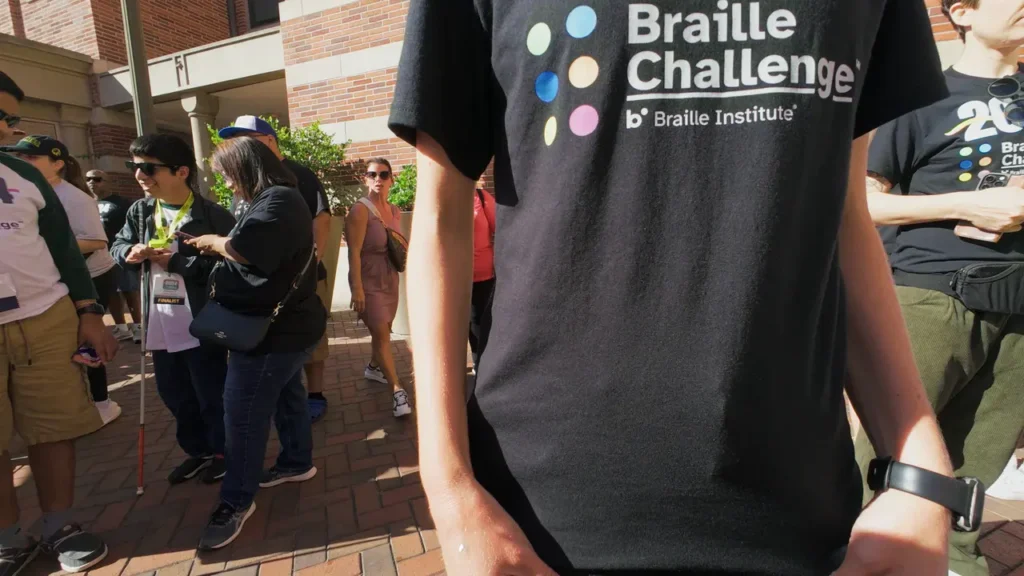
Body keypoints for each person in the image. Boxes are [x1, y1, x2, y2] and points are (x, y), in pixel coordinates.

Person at [388, 2, 959, 575]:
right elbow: (440, 220)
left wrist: (920, 467)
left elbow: (842, 213)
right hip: (543, 520)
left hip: (796, 511)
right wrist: (451, 493)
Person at [855, 1, 1024, 574]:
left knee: (981, 452)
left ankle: (954, 559)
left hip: (1018, 305)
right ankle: (848, 549)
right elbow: (863, 202)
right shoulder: (920, 98)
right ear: (964, 13)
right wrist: (971, 205)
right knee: (892, 449)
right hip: (933, 292)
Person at [0, 70, 114, 575]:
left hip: (45, 318)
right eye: (0, 116)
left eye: (11, 118)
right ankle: (6, 537)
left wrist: (90, 314)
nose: (7, 129)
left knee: (52, 428)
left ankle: (58, 526)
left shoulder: (23, 177)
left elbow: (66, 251)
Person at [188, 136, 323, 550]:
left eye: (229, 176)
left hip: (272, 334)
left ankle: (236, 501)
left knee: (243, 417)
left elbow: (244, 251)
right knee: (287, 396)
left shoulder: (278, 200)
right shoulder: (274, 199)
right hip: (285, 329)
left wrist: (212, 242)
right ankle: (296, 462)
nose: (228, 185)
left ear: (248, 169)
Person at [110, 134, 235, 486]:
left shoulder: (212, 215)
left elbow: (234, 266)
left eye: (148, 168)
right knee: (173, 392)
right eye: (134, 167)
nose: (139, 175)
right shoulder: (139, 211)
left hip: (201, 321)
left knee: (210, 391)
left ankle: (224, 452)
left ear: (181, 172)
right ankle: (199, 451)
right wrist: (129, 253)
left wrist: (181, 263)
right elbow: (118, 244)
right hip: (159, 321)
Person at [217, 116, 333, 423]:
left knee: (308, 343)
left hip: (301, 281)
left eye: (247, 138)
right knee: (281, 355)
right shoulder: (246, 178)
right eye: (235, 139)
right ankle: (292, 410)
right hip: (264, 286)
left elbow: (322, 218)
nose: (239, 144)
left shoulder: (297, 174)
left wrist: (310, 262)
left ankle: (316, 394)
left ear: (269, 140)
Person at [2, 135, 121, 427]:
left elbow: (98, 241)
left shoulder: (76, 198)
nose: (23, 162)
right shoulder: (21, 185)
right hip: (56, 281)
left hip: (91, 277)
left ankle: (101, 402)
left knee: (86, 343)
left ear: (57, 164)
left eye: (32, 157)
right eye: (21, 156)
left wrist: (44, 243)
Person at [345, 158, 412, 418]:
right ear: (366, 179)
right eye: (372, 174)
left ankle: (374, 367)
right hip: (368, 280)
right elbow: (353, 252)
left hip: (389, 278)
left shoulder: (394, 210)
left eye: (384, 175)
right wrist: (356, 288)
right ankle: (397, 391)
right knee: (382, 334)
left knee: (383, 330)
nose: (378, 179)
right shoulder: (360, 210)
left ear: (391, 180)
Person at [88, 169, 142, 343]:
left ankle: (138, 327)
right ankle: (122, 328)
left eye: (97, 179)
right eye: (88, 179)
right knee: (111, 292)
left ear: (108, 182)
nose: (92, 182)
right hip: (99, 256)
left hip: (120, 253)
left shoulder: (122, 203)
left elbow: (134, 228)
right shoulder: (86, 203)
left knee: (129, 290)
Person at [469, 184, 495, 375]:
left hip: (482, 274)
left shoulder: (482, 197)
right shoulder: (444, 196)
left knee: (479, 320)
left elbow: (501, 228)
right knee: (460, 323)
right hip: (453, 276)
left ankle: (481, 363)